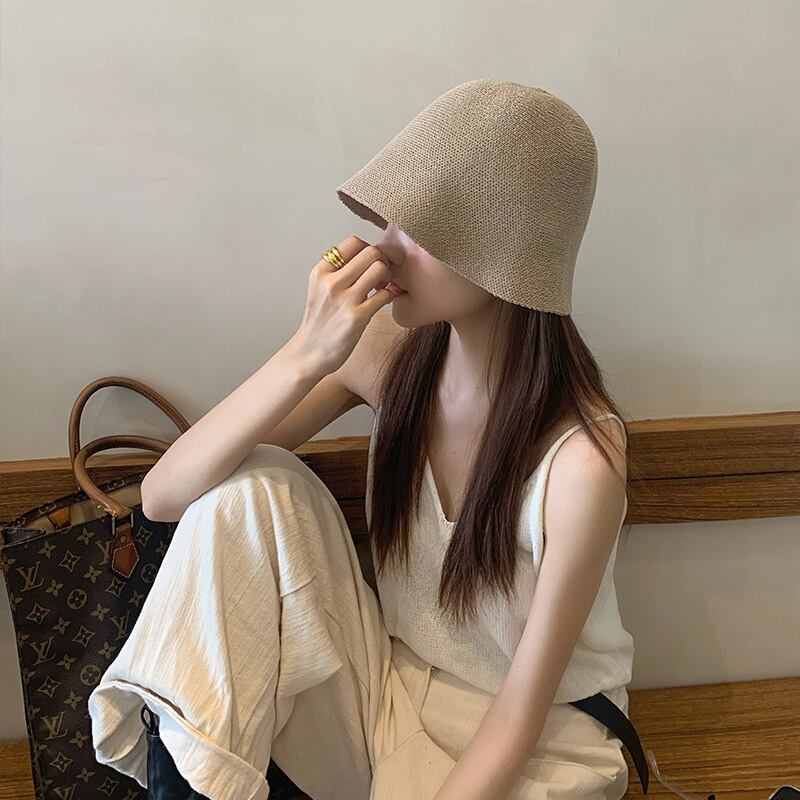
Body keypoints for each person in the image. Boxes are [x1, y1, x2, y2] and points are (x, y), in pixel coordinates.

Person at [88, 79, 638, 800]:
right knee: (249, 490)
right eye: (390, 223)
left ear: (503, 253)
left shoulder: (581, 463)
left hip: (539, 751)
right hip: (390, 702)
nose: (384, 251)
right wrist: (306, 354)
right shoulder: (387, 354)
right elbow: (165, 497)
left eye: (420, 230)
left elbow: (518, 719)